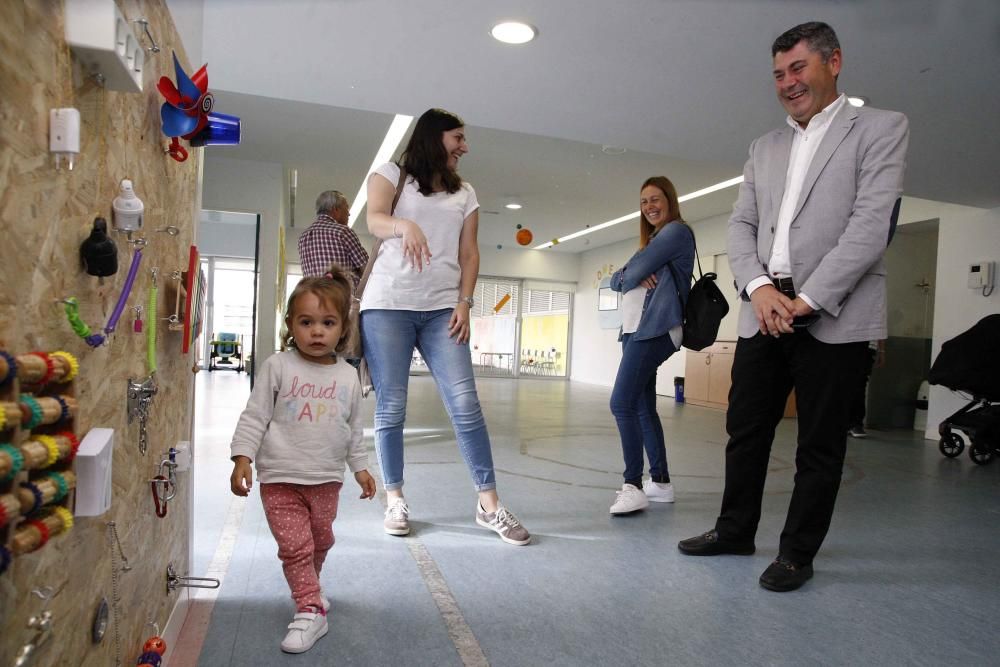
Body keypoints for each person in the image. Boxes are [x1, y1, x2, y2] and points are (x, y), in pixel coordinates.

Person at [678, 22, 908, 592]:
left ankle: (796, 554)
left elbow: (870, 226)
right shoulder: (765, 147)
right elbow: (741, 225)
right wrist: (758, 288)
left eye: (798, 68)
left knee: (819, 443)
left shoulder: (880, 128)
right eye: (779, 74)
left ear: (834, 62)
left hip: (835, 315)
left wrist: (805, 300)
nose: (788, 82)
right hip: (763, 311)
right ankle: (734, 531)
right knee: (745, 429)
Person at [360, 108, 530, 546]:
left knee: (465, 404)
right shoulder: (390, 173)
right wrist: (405, 225)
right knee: (391, 406)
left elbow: (469, 253)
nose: (465, 147)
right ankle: (394, 497)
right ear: (435, 138)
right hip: (388, 305)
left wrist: (465, 302)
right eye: (458, 138)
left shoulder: (465, 193)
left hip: (442, 311)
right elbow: (374, 219)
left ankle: (489, 505)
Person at [229, 266, 376, 653]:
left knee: (320, 539)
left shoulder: (347, 377)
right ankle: (310, 608)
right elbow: (255, 414)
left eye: (327, 323)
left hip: (326, 478)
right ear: (291, 324)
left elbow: (353, 429)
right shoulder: (278, 366)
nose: (316, 331)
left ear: (342, 329)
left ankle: (309, 586)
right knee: (295, 546)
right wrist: (242, 456)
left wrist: (360, 468)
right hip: (280, 476)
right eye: (306, 322)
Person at [606, 176, 695, 514]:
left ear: (670, 200)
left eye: (656, 199)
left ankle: (632, 484)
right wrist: (629, 273)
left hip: (654, 331)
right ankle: (659, 483)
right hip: (634, 332)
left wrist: (630, 273)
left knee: (621, 403)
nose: (650, 206)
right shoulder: (653, 240)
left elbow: (628, 274)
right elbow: (615, 279)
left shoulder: (676, 232)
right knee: (642, 407)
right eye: (644, 202)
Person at [298, 190, 369, 287]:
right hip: (342, 298)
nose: (349, 214)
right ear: (336, 210)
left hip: (315, 299)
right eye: (347, 208)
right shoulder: (343, 232)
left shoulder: (303, 238)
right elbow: (366, 270)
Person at [848, 339, 885, 438]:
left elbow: (880, 326)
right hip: (848, 343)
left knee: (859, 384)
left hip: (867, 347)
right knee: (848, 383)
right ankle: (849, 422)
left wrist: (881, 350)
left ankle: (856, 423)